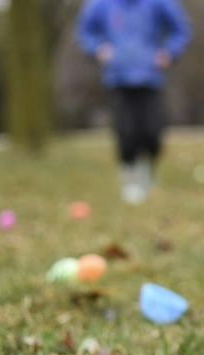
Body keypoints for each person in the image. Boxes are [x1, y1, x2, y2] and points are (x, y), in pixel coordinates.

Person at [77, 0, 192, 205]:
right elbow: (84, 31)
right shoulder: (101, 4)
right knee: (126, 132)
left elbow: (181, 29)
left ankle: (147, 173)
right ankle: (130, 180)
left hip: (150, 78)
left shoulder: (159, 3)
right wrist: (97, 49)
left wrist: (169, 52)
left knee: (152, 133)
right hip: (118, 79)